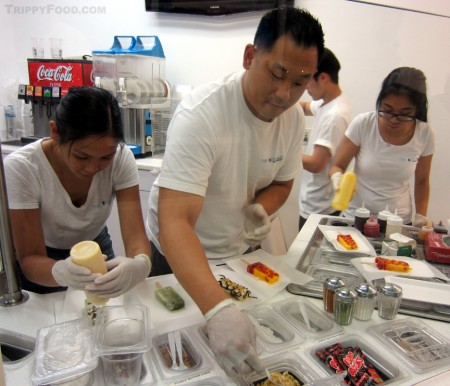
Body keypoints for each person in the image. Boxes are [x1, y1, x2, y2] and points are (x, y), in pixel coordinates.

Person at [146, 6, 324, 376]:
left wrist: (262, 207)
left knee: (237, 355)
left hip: (235, 254)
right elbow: (175, 222)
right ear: (249, 56)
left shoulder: (291, 120)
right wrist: (215, 309)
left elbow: (283, 180)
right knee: (179, 358)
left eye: (300, 82)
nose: (284, 93)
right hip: (179, 253)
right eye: (277, 74)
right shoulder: (203, 115)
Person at [4, 87, 151, 298]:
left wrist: (140, 264)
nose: (93, 168)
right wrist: (59, 272)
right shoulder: (23, 168)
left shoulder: (120, 158)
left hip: (95, 248)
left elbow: (135, 234)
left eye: (105, 158)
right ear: (55, 132)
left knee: (104, 314)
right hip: (45, 259)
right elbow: (30, 259)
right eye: (82, 157)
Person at [329, 67, 434, 225]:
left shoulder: (424, 133)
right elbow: (337, 165)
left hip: (397, 221)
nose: (393, 120)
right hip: (356, 216)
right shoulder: (364, 124)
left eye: (404, 113)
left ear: (417, 110)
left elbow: (422, 182)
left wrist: (421, 217)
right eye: (387, 110)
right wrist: (337, 177)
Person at [298, 48, 352, 230]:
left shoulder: (334, 115)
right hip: (315, 203)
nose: (305, 87)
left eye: (307, 80)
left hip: (319, 209)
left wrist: (281, 153)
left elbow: (316, 164)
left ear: (323, 78)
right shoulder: (327, 103)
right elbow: (305, 107)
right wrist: (283, 101)